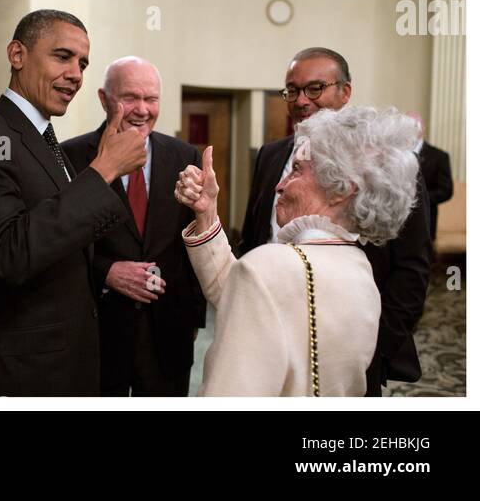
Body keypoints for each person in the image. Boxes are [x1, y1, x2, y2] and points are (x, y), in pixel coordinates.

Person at [0, 9, 148, 397]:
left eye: (83, 63)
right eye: (62, 56)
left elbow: (65, 237)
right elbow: (9, 253)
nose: (76, 73)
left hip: (69, 360)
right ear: (17, 55)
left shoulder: (42, 135)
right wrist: (104, 169)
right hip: (22, 372)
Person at [175, 104, 419, 397]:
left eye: (297, 171)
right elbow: (246, 298)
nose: (280, 185)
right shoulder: (359, 266)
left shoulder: (274, 266)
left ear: (341, 189)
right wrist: (206, 214)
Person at [240, 48, 432, 396]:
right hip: (269, 331)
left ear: (345, 92)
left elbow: (412, 270)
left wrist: (373, 346)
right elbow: (253, 238)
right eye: (292, 90)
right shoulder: (271, 155)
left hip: (349, 345)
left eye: (315, 88)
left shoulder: (383, 164)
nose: (301, 100)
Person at [63, 58, 205, 396]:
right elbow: (59, 241)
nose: (142, 109)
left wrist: (195, 317)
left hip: (168, 332)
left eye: (151, 99)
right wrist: (106, 272)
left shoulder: (184, 156)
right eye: (129, 97)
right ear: (103, 98)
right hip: (98, 331)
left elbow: (195, 240)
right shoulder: (70, 157)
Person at [410, 114, 454, 243]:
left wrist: (420, 199)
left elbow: (446, 190)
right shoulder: (394, 154)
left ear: (421, 129)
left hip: (426, 221)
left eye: (412, 126)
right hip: (395, 225)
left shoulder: (439, 156)